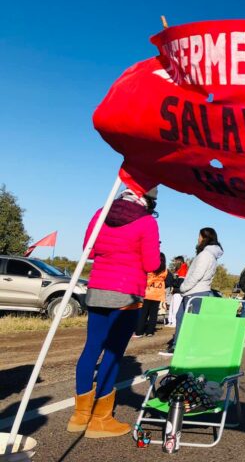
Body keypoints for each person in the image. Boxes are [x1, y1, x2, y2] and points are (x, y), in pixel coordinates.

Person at [69, 187, 160, 439]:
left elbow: (89, 249)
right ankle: (100, 420)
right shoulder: (146, 222)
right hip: (126, 293)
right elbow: (152, 263)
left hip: (97, 288)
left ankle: (79, 416)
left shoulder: (102, 212)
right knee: (113, 353)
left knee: (91, 348)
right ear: (149, 200)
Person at [161, 228, 223, 356]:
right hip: (197, 291)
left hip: (194, 291)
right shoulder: (211, 254)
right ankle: (181, 346)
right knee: (183, 318)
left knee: (186, 321)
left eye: (199, 236)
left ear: (205, 238)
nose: (198, 239)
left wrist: (183, 287)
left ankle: (181, 347)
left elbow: (197, 274)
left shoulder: (205, 254)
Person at [134, 252, 167, 337]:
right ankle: (150, 331)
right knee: (153, 314)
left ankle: (139, 332)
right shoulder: (165, 271)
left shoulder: (149, 268)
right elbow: (167, 281)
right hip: (158, 294)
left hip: (147, 293)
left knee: (143, 314)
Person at [166, 256, 188, 327]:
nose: (174, 263)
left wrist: (172, 283)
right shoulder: (179, 270)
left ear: (179, 261)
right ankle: (170, 321)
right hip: (175, 291)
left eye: (175, 261)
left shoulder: (183, 270)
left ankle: (175, 322)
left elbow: (180, 283)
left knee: (176, 308)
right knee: (172, 307)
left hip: (179, 292)